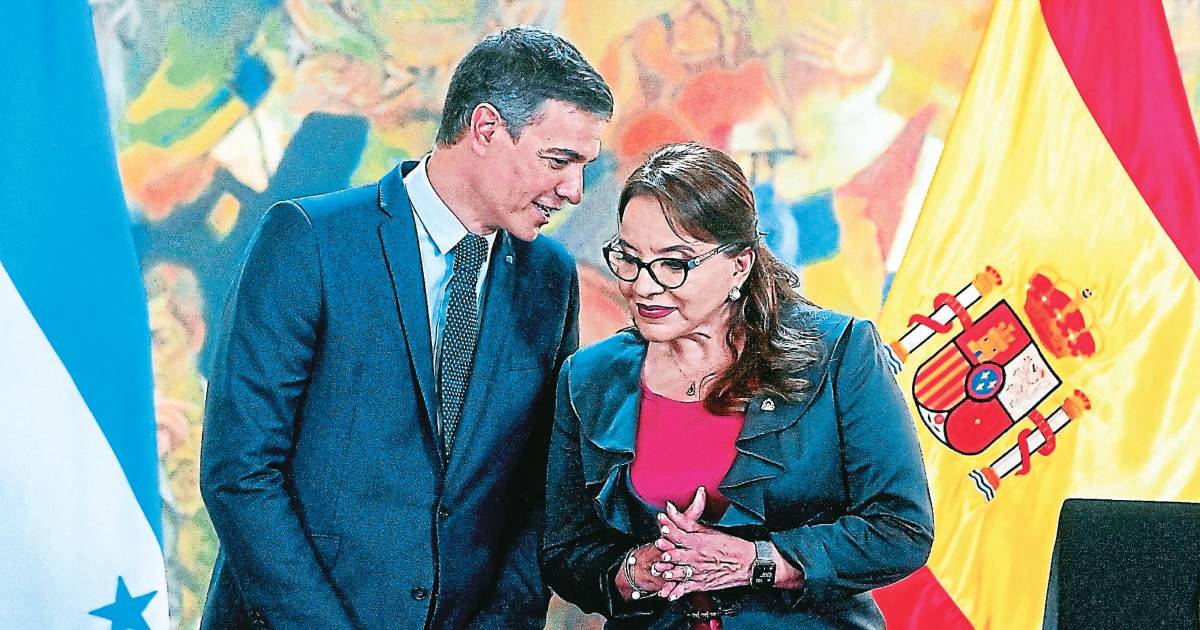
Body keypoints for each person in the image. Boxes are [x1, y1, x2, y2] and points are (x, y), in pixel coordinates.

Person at [199, 26, 612, 630]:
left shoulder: (550, 277)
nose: (574, 191)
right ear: (485, 128)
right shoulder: (311, 241)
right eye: (558, 161)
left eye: (584, 167)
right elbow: (240, 473)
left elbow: (538, 491)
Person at [542, 143, 932, 629]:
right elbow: (566, 551)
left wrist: (759, 562)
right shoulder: (588, 377)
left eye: (674, 264)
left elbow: (900, 528)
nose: (643, 285)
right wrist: (637, 571)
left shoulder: (839, 352)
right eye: (629, 258)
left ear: (740, 265)